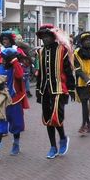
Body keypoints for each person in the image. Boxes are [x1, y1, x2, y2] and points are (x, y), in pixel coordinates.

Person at [35, 24, 75, 159]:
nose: (45, 39)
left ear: (53, 37)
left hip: (59, 89)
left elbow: (68, 71)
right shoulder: (40, 52)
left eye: (47, 37)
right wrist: (38, 90)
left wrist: (71, 89)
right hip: (45, 89)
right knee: (47, 119)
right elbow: (40, 73)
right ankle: (53, 146)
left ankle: (63, 137)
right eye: (43, 37)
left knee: (56, 117)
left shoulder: (62, 50)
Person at [0, 48, 28, 161]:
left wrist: (15, 61)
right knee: (0, 124)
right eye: (2, 58)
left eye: (5, 58)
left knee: (16, 125)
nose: (2, 60)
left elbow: (19, 76)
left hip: (14, 101)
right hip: (2, 102)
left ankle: (16, 144)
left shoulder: (15, 68)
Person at [74, 32, 90, 136]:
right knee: (84, 104)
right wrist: (87, 79)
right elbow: (77, 69)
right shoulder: (77, 53)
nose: (88, 41)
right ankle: (85, 124)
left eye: (89, 40)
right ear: (81, 42)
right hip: (81, 83)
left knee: (88, 103)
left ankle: (86, 124)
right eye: (85, 40)